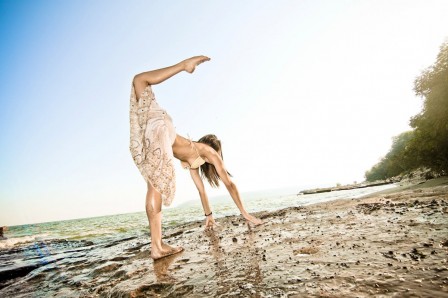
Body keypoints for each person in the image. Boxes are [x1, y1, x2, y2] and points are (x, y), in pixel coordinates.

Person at [130, 56, 263, 260]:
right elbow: (229, 184)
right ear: (215, 148)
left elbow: (201, 191)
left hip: (153, 130)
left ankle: (157, 244)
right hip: (163, 129)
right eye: (218, 152)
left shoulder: (195, 161)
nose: (218, 157)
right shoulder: (208, 152)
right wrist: (245, 212)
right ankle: (184, 65)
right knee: (155, 185)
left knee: (139, 80)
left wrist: (209, 216)